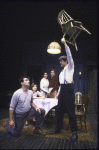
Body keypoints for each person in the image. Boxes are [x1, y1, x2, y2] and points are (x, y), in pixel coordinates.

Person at [49, 38, 78, 142]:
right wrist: (58, 93)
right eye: (59, 61)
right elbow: (61, 85)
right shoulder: (61, 73)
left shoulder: (70, 67)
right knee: (59, 110)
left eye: (61, 60)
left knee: (70, 111)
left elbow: (69, 55)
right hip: (62, 91)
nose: (60, 62)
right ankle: (58, 128)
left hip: (69, 90)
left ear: (65, 61)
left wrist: (65, 43)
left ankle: (74, 133)